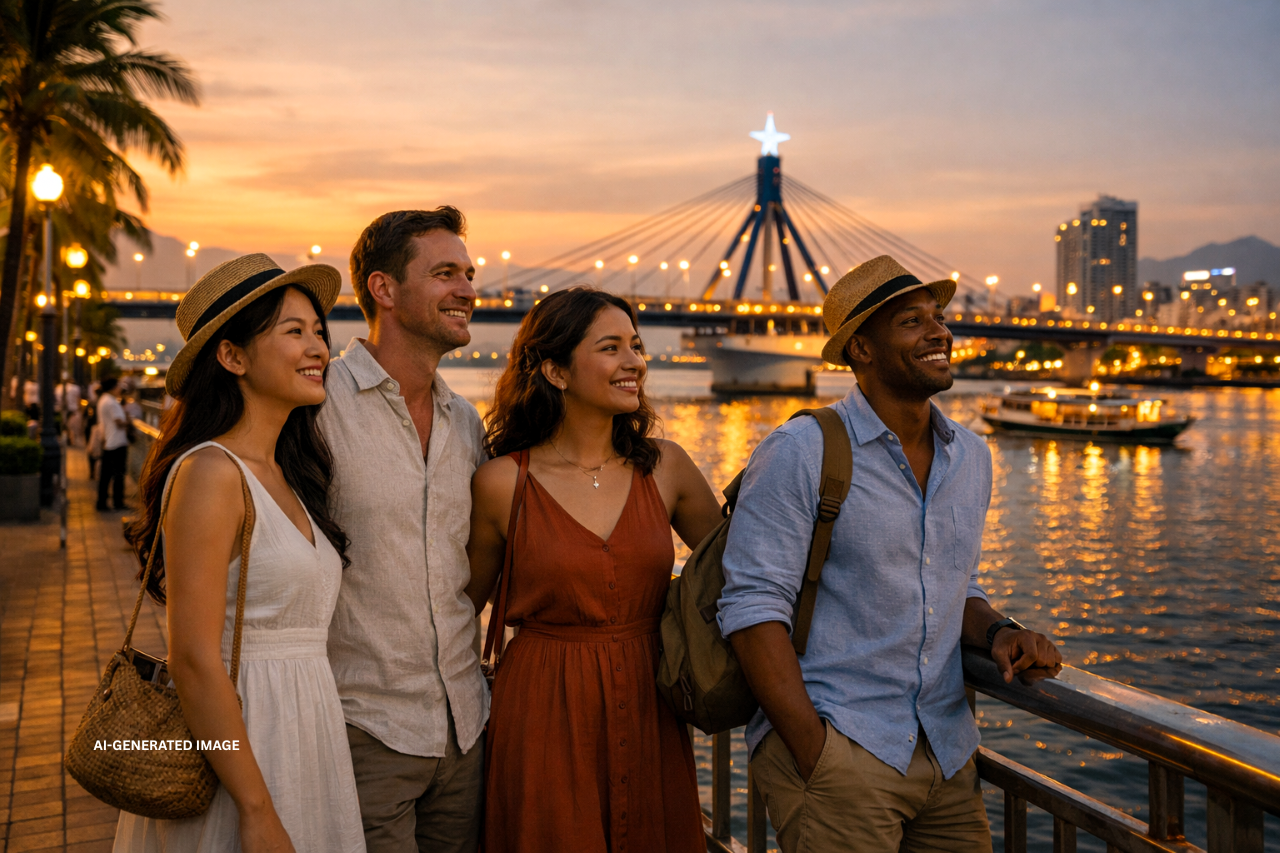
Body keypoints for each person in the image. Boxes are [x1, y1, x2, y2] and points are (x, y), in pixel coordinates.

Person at [718, 255, 1063, 853]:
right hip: (841, 745)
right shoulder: (801, 450)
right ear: (861, 350)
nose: (939, 332)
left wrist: (998, 630)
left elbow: (951, 585)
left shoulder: (971, 457)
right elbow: (751, 608)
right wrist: (815, 752)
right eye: (911, 321)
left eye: (937, 317)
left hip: (948, 752)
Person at [114, 254, 365, 852]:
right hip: (245, 739)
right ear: (232, 357)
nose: (318, 349)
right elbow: (195, 657)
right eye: (293, 332)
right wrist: (255, 808)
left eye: (319, 333)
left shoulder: (288, 475)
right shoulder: (210, 472)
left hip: (305, 727)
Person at [466, 286, 724, 853]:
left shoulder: (668, 468)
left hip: (651, 699)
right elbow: (461, 609)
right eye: (612, 348)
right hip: (541, 707)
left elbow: (747, 575)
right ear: (556, 371)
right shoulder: (501, 483)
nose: (635, 361)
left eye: (635, 346)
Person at [318, 208, 489, 852]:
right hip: (364, 729)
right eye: (445, 273)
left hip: (465, 729)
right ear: (384, 290)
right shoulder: (316, 406)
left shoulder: (465, 422)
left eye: (468, 273)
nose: (467, 289)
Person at [95, 376, 129, 511]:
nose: (120, 388)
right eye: (119, 385)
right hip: (117, 442)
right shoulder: (111, 402)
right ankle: (118, 502)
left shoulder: (103, 400)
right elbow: (119, 422)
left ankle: (102, 502)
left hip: (109, 441)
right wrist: (130, 422)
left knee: (106, 475)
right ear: (114, 387)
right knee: (118, 475)